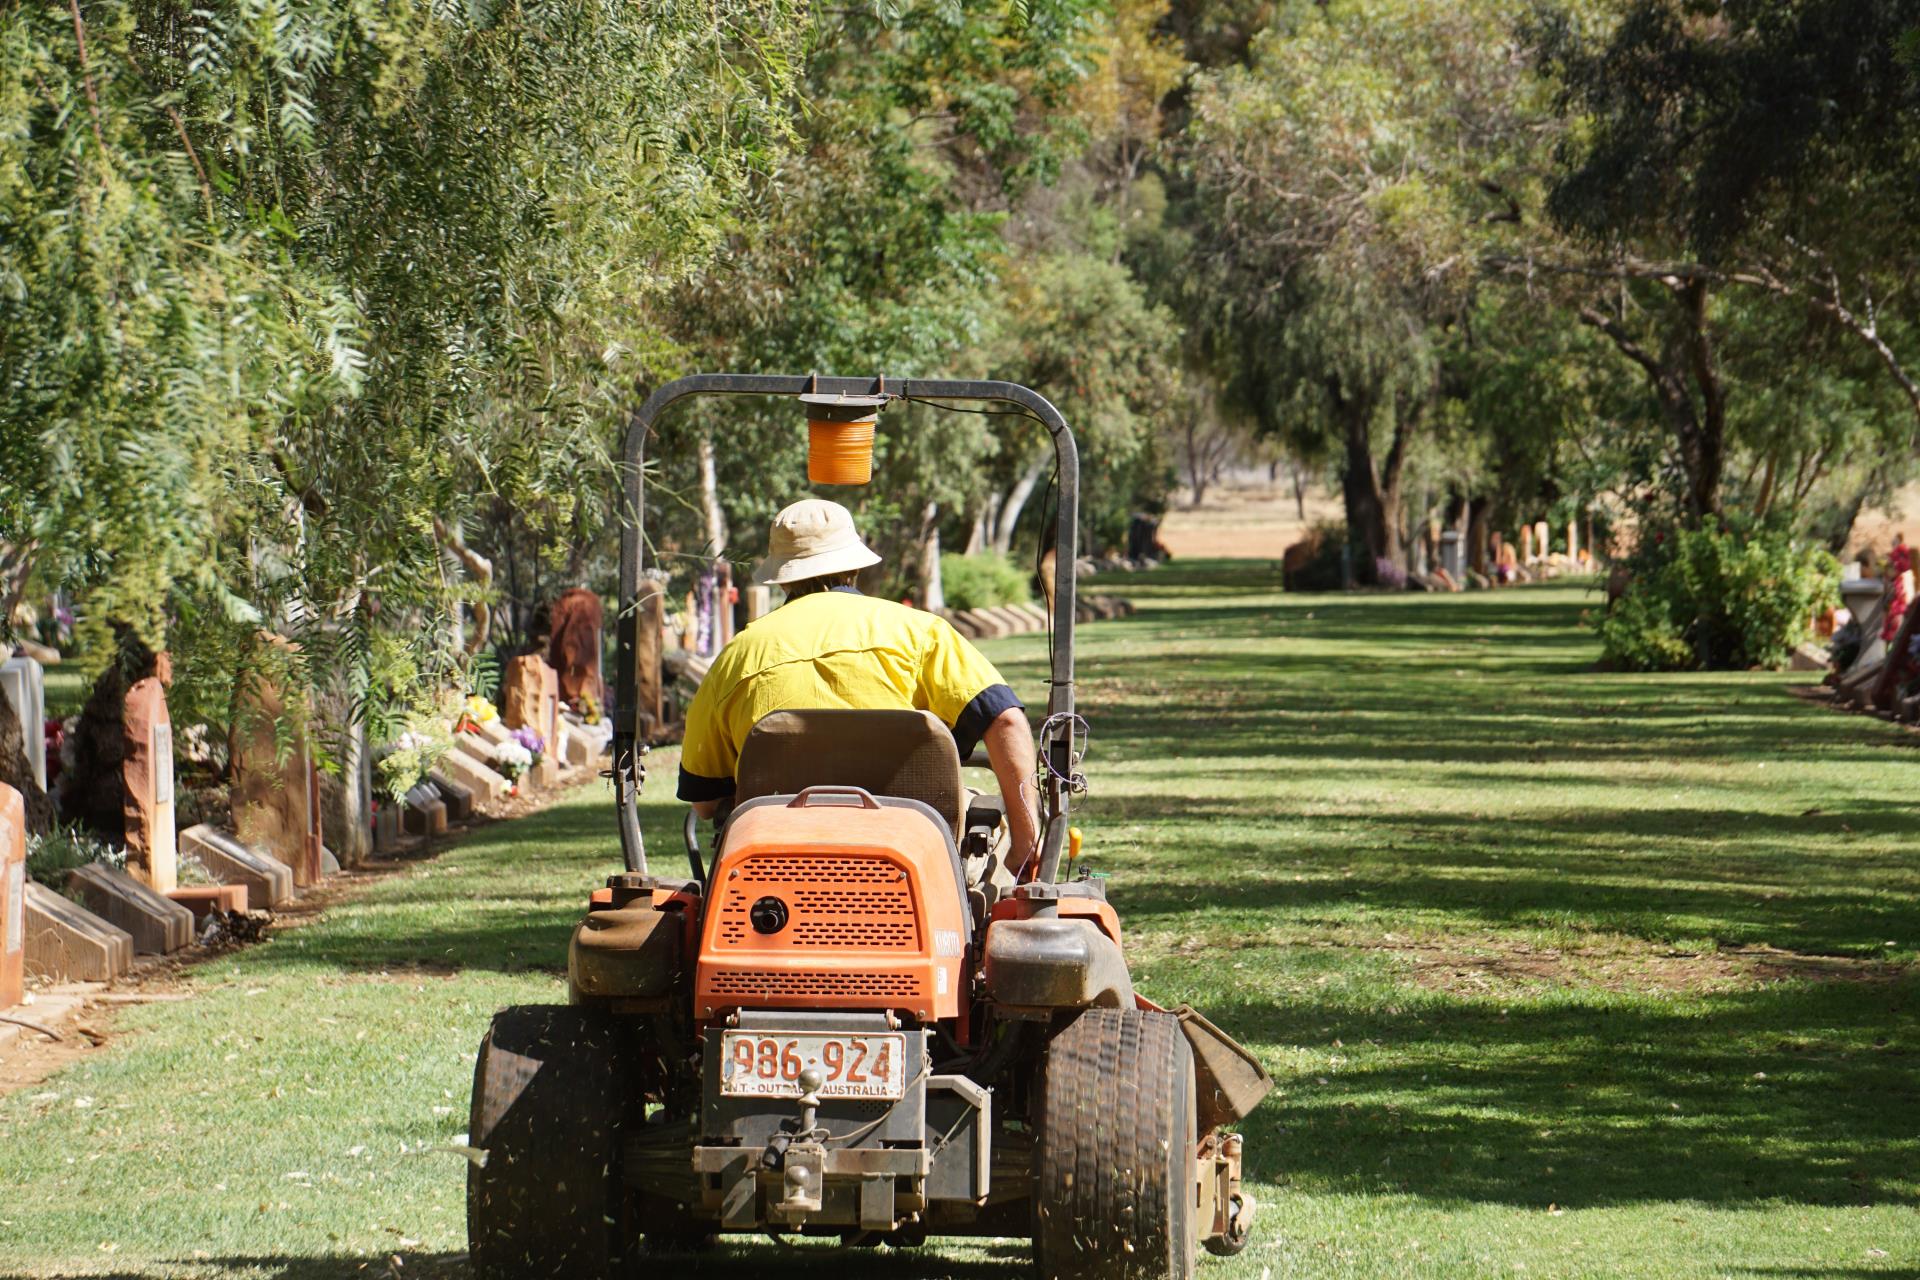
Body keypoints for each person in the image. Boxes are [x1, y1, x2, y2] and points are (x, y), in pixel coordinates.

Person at [678, 499, 1040, 873]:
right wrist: (1025, 845)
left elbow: (705, 803)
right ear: (854, 566)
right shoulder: (920, 633)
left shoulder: (737, 656)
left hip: (778, 866)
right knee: (992, 827)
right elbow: (1005, 720)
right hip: (911, 862)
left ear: (782, 576)